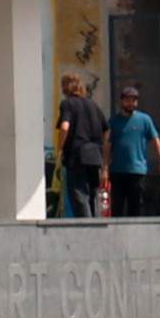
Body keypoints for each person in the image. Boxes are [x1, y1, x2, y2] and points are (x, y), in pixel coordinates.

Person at [56, 75, 110, 218]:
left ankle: (85, 230)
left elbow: (65, 127)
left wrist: (60, 149)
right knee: (93, 194)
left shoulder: (67, 104)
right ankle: (96, 227)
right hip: (95, 156)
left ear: (65, 87)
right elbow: (106, 130)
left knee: (79, 195)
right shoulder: (93, 105)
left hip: (77, 155)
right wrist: (102, 153)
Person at [111, 87, 160, 219]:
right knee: (117, 208)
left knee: (136, 208)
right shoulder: (113, 122)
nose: (131, 103)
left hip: (137, 171)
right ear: (122, 101)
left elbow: (156, 140)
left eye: (134, 100)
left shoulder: (145, 119)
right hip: (117, 171)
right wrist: (105, 167)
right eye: (128, 100)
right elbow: (107, 145)